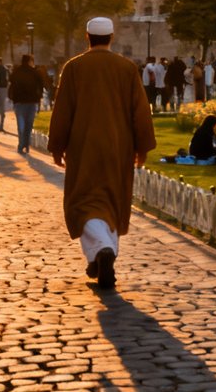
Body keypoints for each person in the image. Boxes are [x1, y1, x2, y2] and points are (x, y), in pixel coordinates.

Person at [46, 17, 156, 290]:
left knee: (83, 201)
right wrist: (142, 146)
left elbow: (63, 110)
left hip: (83, 144)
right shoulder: (126, 68)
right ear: (111, 37)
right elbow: (140, 110)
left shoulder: (74, 67)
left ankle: (102, 249)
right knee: (112, 198)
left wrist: (57, 145)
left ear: (87, 37)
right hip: (119, 144)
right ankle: (101, 256)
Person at [8, 54, 46, 154]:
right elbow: (41, 86)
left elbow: (11, 81)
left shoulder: (16, 71)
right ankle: (27, 144)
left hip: (19, 101)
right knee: (29, 124)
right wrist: (39, 98)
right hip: (32, 101)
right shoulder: (35, 72)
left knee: (21, 124)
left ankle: (21, 144)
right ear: (30, 61)